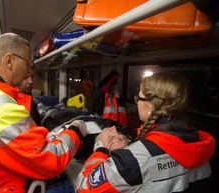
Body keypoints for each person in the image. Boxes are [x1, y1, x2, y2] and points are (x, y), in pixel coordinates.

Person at [0, 32, 87, 193]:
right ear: (9, 60)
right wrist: (76, 129)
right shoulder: (1, 107)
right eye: (28, 62)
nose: (29, 70)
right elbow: (50, 160)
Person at [76, 72, 216, 192]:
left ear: (150, 105)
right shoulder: (198, 141)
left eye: (138, 98)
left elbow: (84, 187)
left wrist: (100, 146)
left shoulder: (133, 160)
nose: (136, 102)